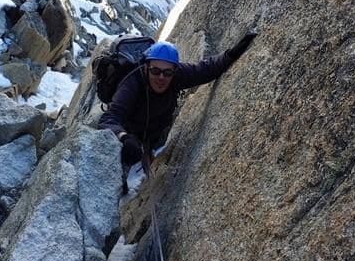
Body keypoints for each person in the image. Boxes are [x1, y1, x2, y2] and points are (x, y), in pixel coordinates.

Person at [98, 32, 257, 190]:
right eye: (155, 71)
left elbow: (205, 70)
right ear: (146, 68)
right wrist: (123, 137)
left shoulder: (177, 75)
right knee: (124, 163)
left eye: (167, 73)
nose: (161, 77)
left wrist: (231, 54)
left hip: (154, 131)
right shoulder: (132, 83)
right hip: (130, 131)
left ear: (174, 70)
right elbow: (109, 119)